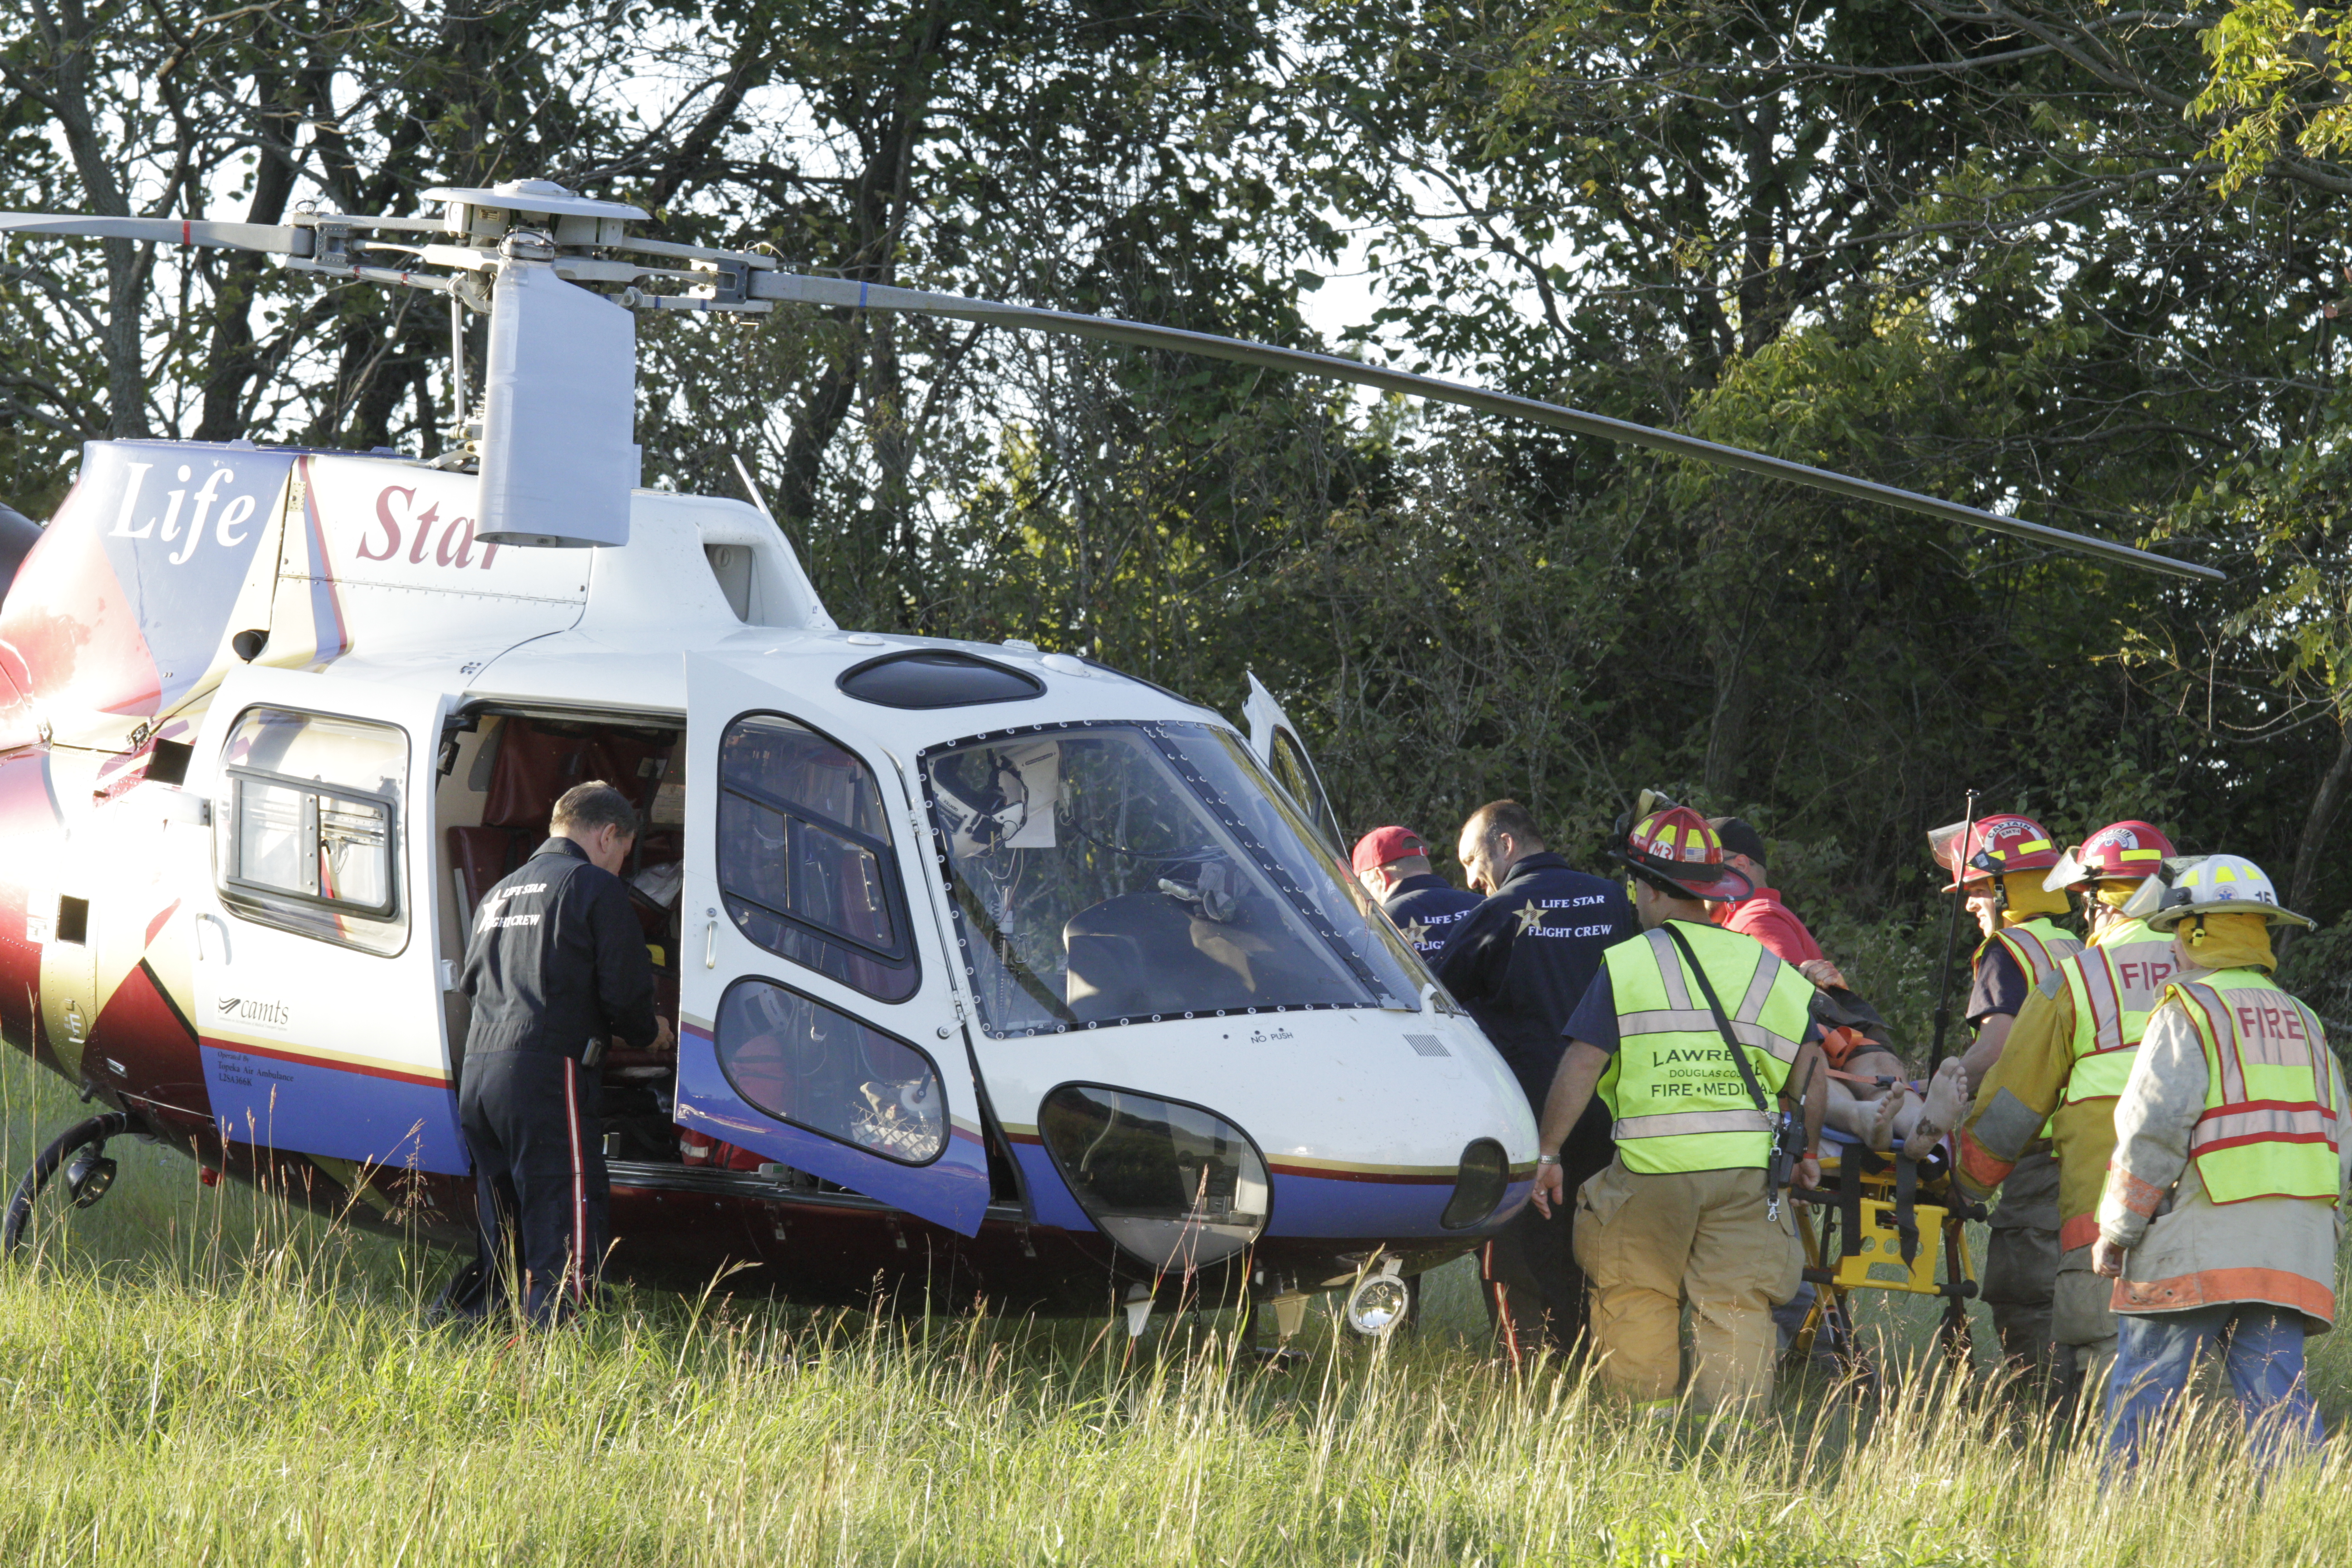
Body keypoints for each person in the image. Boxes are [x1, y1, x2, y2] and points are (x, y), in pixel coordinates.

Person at [1531, 806, 1828, 1412]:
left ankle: (1647, 1431)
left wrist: (1549, 1152)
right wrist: (1805, 1153)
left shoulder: (1629, 963)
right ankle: (1735, 1438)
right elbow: (1814, 1072)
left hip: (1651, 1171)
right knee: (1738, 1304)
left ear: (1649, 888)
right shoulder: (1767, 968)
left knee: (1637, 1294)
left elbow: (1583, 1064)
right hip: (1748, 1176)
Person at [2092, 854, 2345, 1472]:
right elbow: (2339, 1144)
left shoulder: (2190, 1010)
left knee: (2143, 1399)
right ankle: (2296, 1533)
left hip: (2199, 1245)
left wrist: (2118, 1229)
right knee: (2281, 1409)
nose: (2174, 948)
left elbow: (2152, 1129)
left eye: (2178, 931)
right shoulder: (2307, 1023)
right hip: (2289, 1254)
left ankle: (2116, 1527)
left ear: (2199, 931)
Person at [1955, 818, 2177, 1399]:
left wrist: (1964, 1180)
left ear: (2100, 900)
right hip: (2202, 1201)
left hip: (2083, 1181)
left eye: (1979, 889)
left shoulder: (2080, 973)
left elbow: (2012, 1094)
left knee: (2064, 1315)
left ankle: (2059, 1432)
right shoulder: (2212, 978)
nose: (1974, 904)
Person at [445, 781, 674, 1326]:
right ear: (608, 835)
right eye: (622, 853)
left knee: (504, 1220)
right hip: (545, 1074)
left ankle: (489, 1326)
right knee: (564, 1205)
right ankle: (564, 1333)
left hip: (479, 1074)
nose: (619, 865)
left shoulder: (497, 893)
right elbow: (626, 1001)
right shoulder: (593, 887)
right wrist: (652, 1030)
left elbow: (480, 985)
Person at [1436, 799, 1635, 1362]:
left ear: (1505, 845)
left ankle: (1533, 1369)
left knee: (1522, 1253)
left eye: (1472, 860)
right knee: (1603, 1244)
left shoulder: (1500, 911)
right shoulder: (1617, 901)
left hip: (1530, 1117)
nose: (1470, 880)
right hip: (1616, 1111)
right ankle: (1606, 1356)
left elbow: (1434, 999)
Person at [1930, 810, 2082, 1379]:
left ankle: (2044, 1413)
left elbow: (1997, 1046)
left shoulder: (2008, 950)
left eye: (1975, 890)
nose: (1970, 903)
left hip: (2037, 1153)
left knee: (2026, 1292)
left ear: (2005, 888)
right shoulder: (2077, 945)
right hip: (2088, 1144)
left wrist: (1945, 1088)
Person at [1351, 824, 1481, 961]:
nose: (1361, 894)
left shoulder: (1378, 927)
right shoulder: (1484, 906)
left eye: (1361, 883)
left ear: (1379, 877)